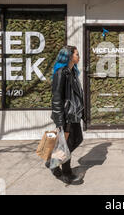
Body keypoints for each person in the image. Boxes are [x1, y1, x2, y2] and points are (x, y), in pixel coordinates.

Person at [47, 45, 84, 184]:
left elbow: (77, 96)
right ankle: (66, 174)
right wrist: (59, 121)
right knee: (66, 145)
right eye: (76, 54)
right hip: (66, 115)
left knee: (77, 140)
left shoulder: (73, 72)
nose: (78, 56)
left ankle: (54, 161)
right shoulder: (61, 73)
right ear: (69, 56)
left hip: (74, 114)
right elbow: (56, 98)